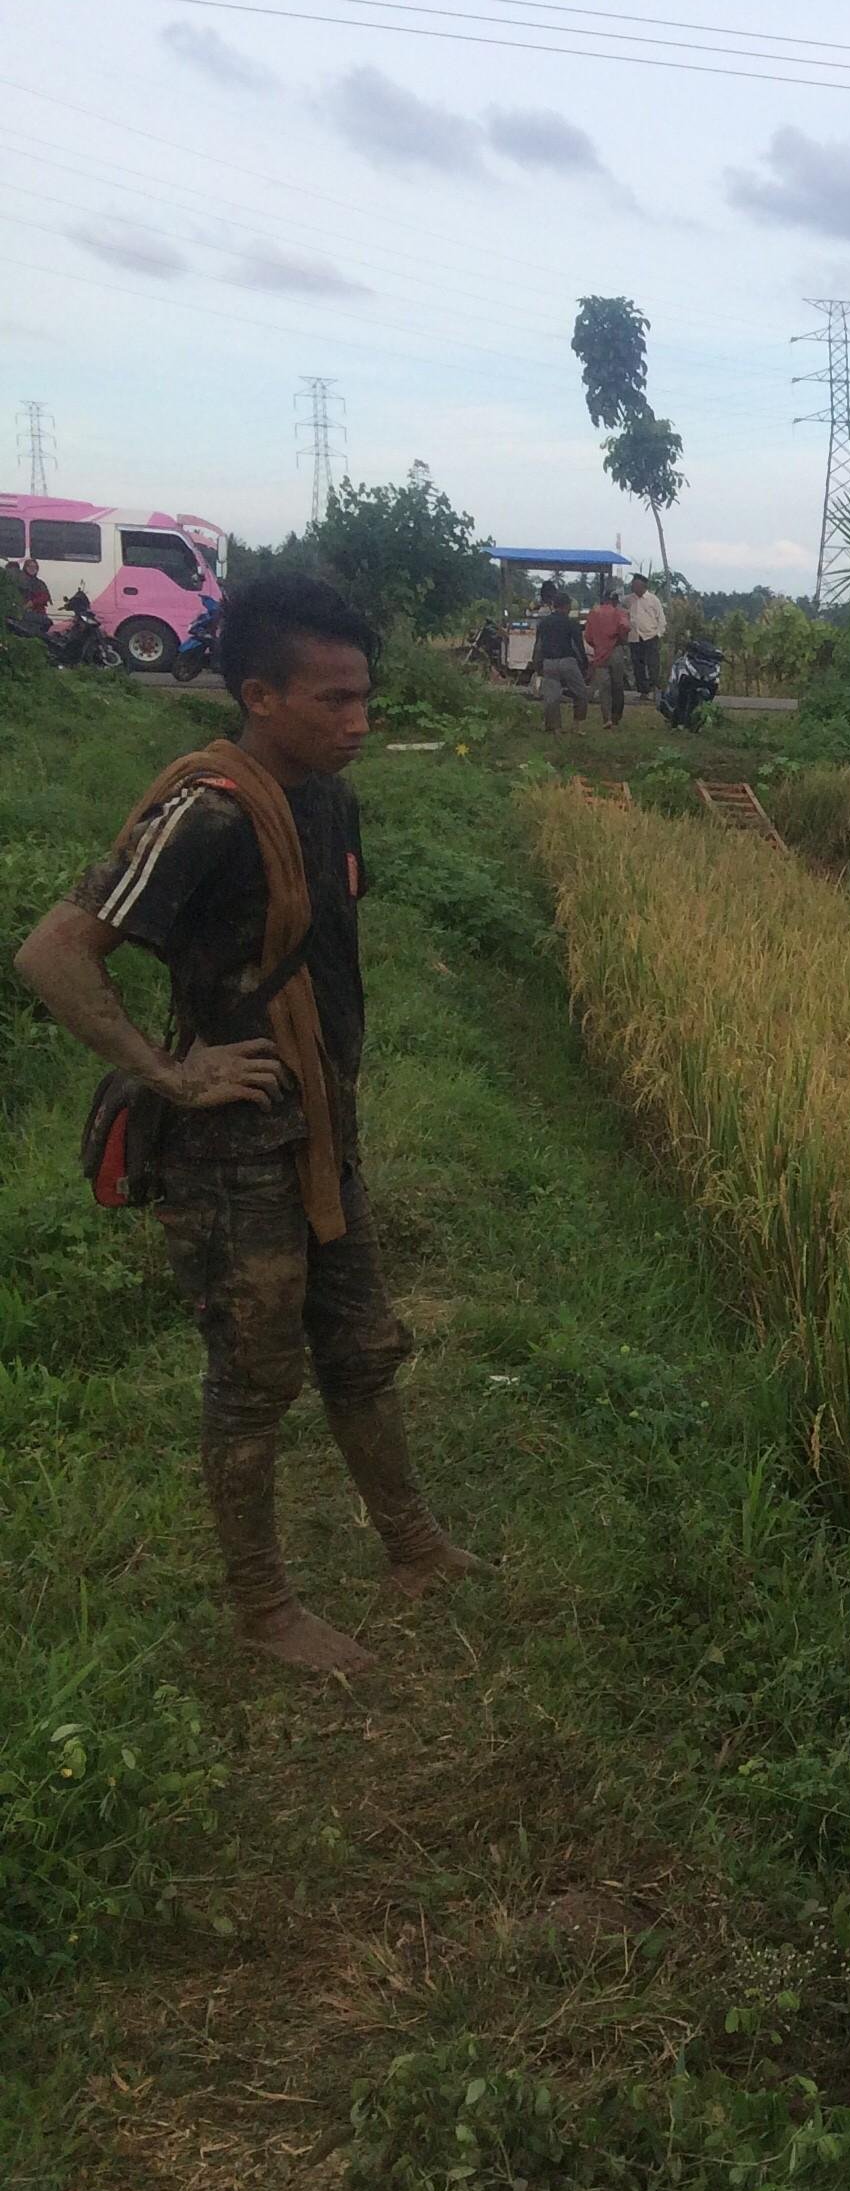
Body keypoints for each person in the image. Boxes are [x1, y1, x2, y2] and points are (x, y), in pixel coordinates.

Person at [13, 571, 480, 1673]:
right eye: (333, 700)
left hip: (320, 1131)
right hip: (231, 1152)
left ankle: (412, 1544)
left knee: (364, 1347)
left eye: (367, 696)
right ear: (260, 695)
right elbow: (51, 953)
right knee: (255, 1376)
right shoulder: (208, 813)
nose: (360, 720)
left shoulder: (328, 796)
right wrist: (170, 1074)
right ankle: (264, 1610)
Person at [530, 584, 590, 731]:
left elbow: (538, 646)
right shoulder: (572, 623)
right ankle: (577, 724)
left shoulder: (543, 623)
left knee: (552, 697)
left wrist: (537, 665)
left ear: (553, 605)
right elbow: (578, 647)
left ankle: (554, 727)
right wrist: (584, 665)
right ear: (567, 606)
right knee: (581, 693)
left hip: (549, 662)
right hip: (567, 662)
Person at [580, 583, 633, 727]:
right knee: (617, 685)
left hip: (599, 653)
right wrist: (620, 640)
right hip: (615, 651)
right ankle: (616, 716)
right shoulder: (619, 613)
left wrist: (599, 644)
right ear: (615, 599)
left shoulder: (593, 613)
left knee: (604, 687)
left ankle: (606, 718)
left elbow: (588, 636)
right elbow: (625, 627)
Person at [623, 573, 667, 698]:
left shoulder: (653, 600)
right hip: (634, 637)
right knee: (638, 665)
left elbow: (661, 619)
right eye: (632, 585)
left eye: (636, 585)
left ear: (643, 586)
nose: (633, 587)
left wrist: (658, 634)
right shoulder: (628, 600)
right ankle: (643, 691)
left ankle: (655, 690)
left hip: (650, 636)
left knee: (653, 664)